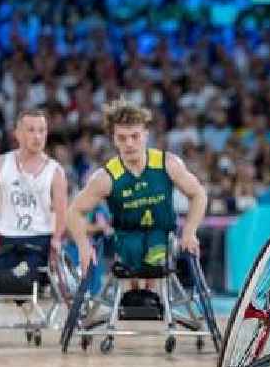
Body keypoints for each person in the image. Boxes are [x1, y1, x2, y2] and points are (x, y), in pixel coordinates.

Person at [66, 99, 207, 284]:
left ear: (146, 135)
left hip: (162, 235)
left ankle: (149, 294)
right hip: (125, 239)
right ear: (114, 138)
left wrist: (189, 232)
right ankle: (133, 298)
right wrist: (84, 247)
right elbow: (73, 211)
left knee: (154, 257)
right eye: (122, 138)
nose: (129, 143)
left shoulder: (167, 163)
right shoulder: (106, 177)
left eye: (135, 136)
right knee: (131, 257)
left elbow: (198, 194)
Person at [0, 109, 67, 282]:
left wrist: (57, 241)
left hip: (39, 243)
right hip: (5, 243)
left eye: (41, 130)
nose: (37, 136)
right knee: (4, 281)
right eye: (31, 130)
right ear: (17, 134)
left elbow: (61, 212)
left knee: (18, 279)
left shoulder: (56, 171)